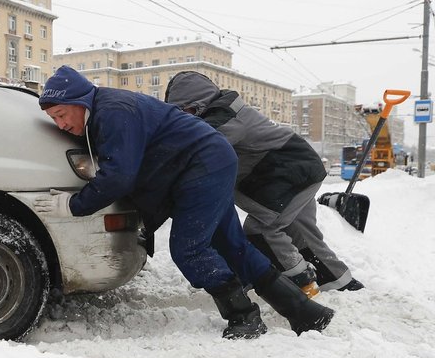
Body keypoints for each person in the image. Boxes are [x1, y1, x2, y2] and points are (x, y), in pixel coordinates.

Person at [34, 65, 335, 339]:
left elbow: (119, 177)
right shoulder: (105, 110)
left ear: (81, 102)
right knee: (233, 245)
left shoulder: (112, 112)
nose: (60, 124)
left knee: (189, 249)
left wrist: (71, 205)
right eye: (54, 119)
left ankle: (244, 316)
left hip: (202, 166)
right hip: (208, 162)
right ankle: (306, 313)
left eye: (62, 115)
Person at [165, 71, 363, 295]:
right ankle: (340, 282)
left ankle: (299, 285)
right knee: (301, 233)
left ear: (199, 103)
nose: (183, 117)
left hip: (288, 174)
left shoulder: (222, 119)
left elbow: (193, 151)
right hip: (303, 167)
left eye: (185, 110)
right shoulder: (228, 110)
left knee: (261, 230)